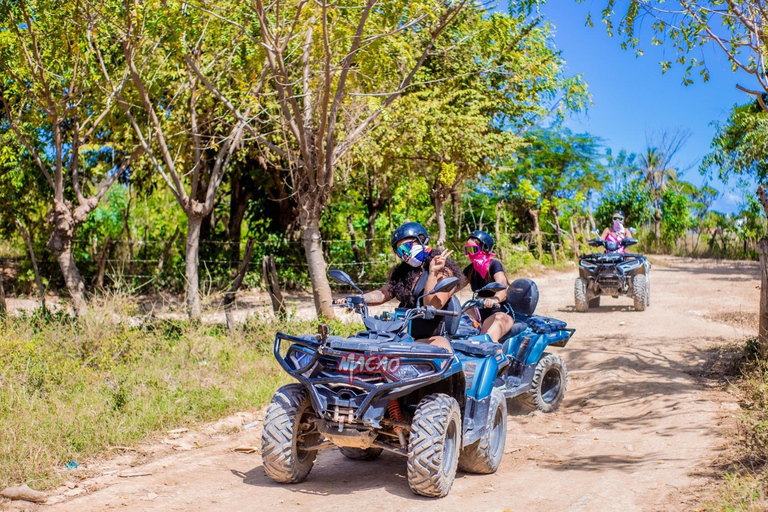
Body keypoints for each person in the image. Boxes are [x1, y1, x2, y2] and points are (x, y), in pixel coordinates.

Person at [333, 222, 461, 351]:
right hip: (402, 336)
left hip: (430, 337)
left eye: (408, 246)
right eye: (401, 251)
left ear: (422, 240)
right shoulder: (405, 272)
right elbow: (383, 293)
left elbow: (433, 304)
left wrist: (433, 273)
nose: (405, 253)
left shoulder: (443, 271)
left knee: (440, 362)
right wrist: (358, 299)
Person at [461, 230, 514, 343]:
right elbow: (455, 286)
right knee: (456, 324)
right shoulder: (471, 269)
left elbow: (502, 285)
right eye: (467, 250)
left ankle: (500, 359)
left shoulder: (494, 264)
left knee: (486, 341)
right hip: (478, 309)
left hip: (498, 310)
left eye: (473, 249)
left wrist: (494, 299)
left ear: (484, 248)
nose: (470, 253)